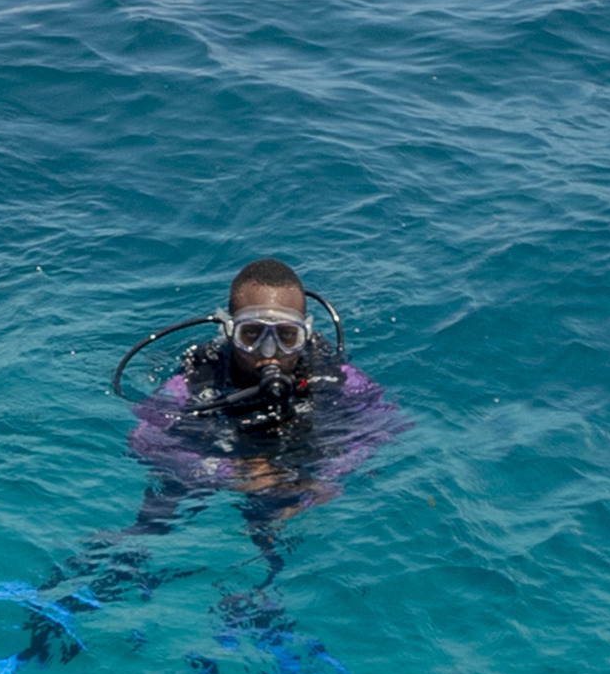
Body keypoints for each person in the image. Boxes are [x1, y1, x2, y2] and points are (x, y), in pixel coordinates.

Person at [32, 258, 401, 648]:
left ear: (307, 336)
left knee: (275, 524)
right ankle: (85, 584)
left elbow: (386, 427)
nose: (269, 353)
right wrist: (228, 472)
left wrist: (328, 475)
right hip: (214, 448)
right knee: (153, 520)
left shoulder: (334, 377)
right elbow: (144, 440)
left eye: (287, 337)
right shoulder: (194, 382)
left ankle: (256, 602)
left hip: (290, 459)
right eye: (252, 334)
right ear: (228, 332)